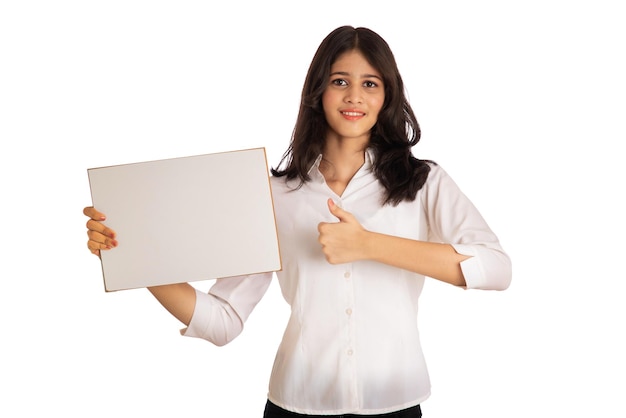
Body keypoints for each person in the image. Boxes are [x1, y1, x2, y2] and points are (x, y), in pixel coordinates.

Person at [84, 26, 512, 417]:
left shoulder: (424, 182)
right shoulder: (273, 194)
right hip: (296, 406)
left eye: (370, 84)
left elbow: (495, 268)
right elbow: (223, 321)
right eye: (339, 81)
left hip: (396, 402)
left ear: (387, 97)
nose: (354, 97)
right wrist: (136, 255)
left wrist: (369, 245)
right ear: (317, 91)